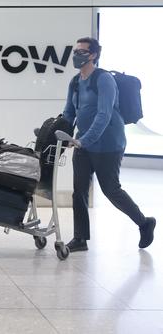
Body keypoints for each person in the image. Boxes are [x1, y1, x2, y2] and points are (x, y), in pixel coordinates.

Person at [62, 37, 155, 252]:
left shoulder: (103, 80)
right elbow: (69, 112)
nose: (76, 55)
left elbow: (104, 114)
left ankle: (144, 223)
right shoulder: (75, 81)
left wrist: (84, 140)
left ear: (93, 55)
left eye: (82, 51)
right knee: (79, 191)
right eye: (75, 50)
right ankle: (80, 238)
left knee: (111, 189)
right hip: (82, 143)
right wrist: (64, 134)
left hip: (108, 144)